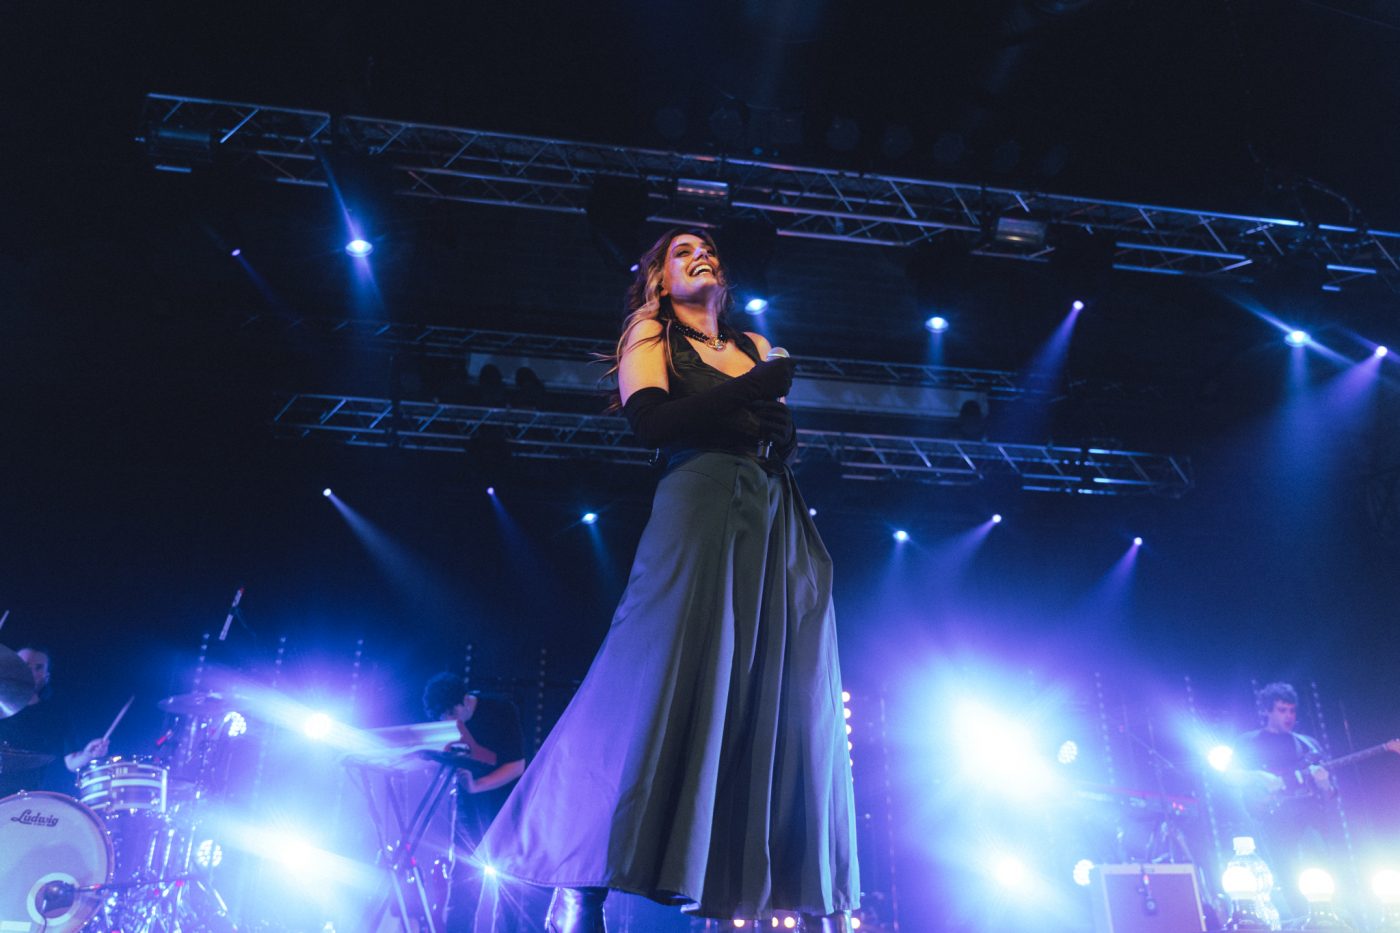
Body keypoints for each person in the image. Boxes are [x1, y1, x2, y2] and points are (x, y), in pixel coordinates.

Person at [477, 228, 858, 932]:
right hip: (699, 501)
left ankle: (776, 885)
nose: (700, 254)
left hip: (770, 512)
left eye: (706, 248)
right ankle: (578, 874)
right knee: (651, 672)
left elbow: (775, 433)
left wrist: (775, 423)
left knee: (768, 685)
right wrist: (752, 392)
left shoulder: (753, 345)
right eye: (682, 251)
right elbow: (651, 422)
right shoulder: (651, 332)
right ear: (659, 280)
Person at [422, 672, 526, 933]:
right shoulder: (447, 723)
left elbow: (516, 766)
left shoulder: (500, 710)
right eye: (443, 716)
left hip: (507, 805)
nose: (450, 721)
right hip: (469, 810)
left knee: (509, 886)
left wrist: (477, 785)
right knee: (463, 884)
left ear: (465, 700)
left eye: (452, 713)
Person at [1229, 682, 1334, 920]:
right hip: (1274, 821)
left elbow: (1330, 795)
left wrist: (1325, 783)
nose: (1289, 716)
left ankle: (1326, 920)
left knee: (1322, 872)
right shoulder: (1249, 742)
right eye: (1282, 710)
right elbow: (1229, 777)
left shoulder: (1308, 744)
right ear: (1267, 711)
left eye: (1292, 711)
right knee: (1287, 876)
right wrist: (1258, 776)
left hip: (1311, 821)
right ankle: (1300, 921)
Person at [0, 645, 109, 797]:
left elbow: (71, 762)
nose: (30, 671)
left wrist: (88, 754)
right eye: (24, 665)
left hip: (31, 799)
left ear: (46, 676)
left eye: (38, 667)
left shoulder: (56, 714)